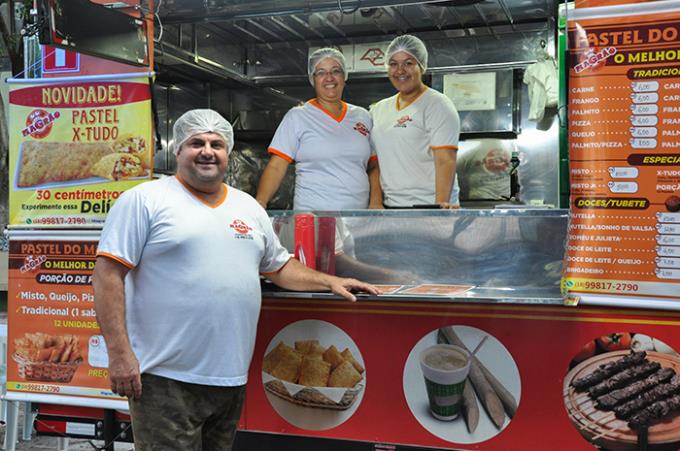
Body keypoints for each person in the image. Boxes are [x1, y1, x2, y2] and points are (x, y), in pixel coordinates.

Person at [92, 109, 379, 451]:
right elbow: (107, 276)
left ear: (227, 153)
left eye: (216, 143)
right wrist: (120, 354)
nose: (207, 151)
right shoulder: (144, 200)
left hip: (229, 378)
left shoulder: (248, 208)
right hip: (165, 377)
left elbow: (279, 267)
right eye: (196, 143)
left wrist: (330, 281)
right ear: (178, 152)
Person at [256, 47, 379, 210]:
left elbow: (374, 166)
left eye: (336, 71)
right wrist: (260, 203)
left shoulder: (363, 116)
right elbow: (276, 166)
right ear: (312, 79)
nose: (329, 78)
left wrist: (376, 203)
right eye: (321, 72)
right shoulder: (298, 117)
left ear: (344, 76)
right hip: (311, 218)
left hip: (358, 218)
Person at [369, 34, 461, 209]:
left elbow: (445, 160)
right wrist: (375, 202)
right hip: (391, 207)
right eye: (393, 64)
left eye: (408, 63)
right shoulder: (379, 109)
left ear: (422, 66)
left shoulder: (437, 104)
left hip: (426, 207)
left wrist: (440, 207)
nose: (400, 70)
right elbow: (375, 163)